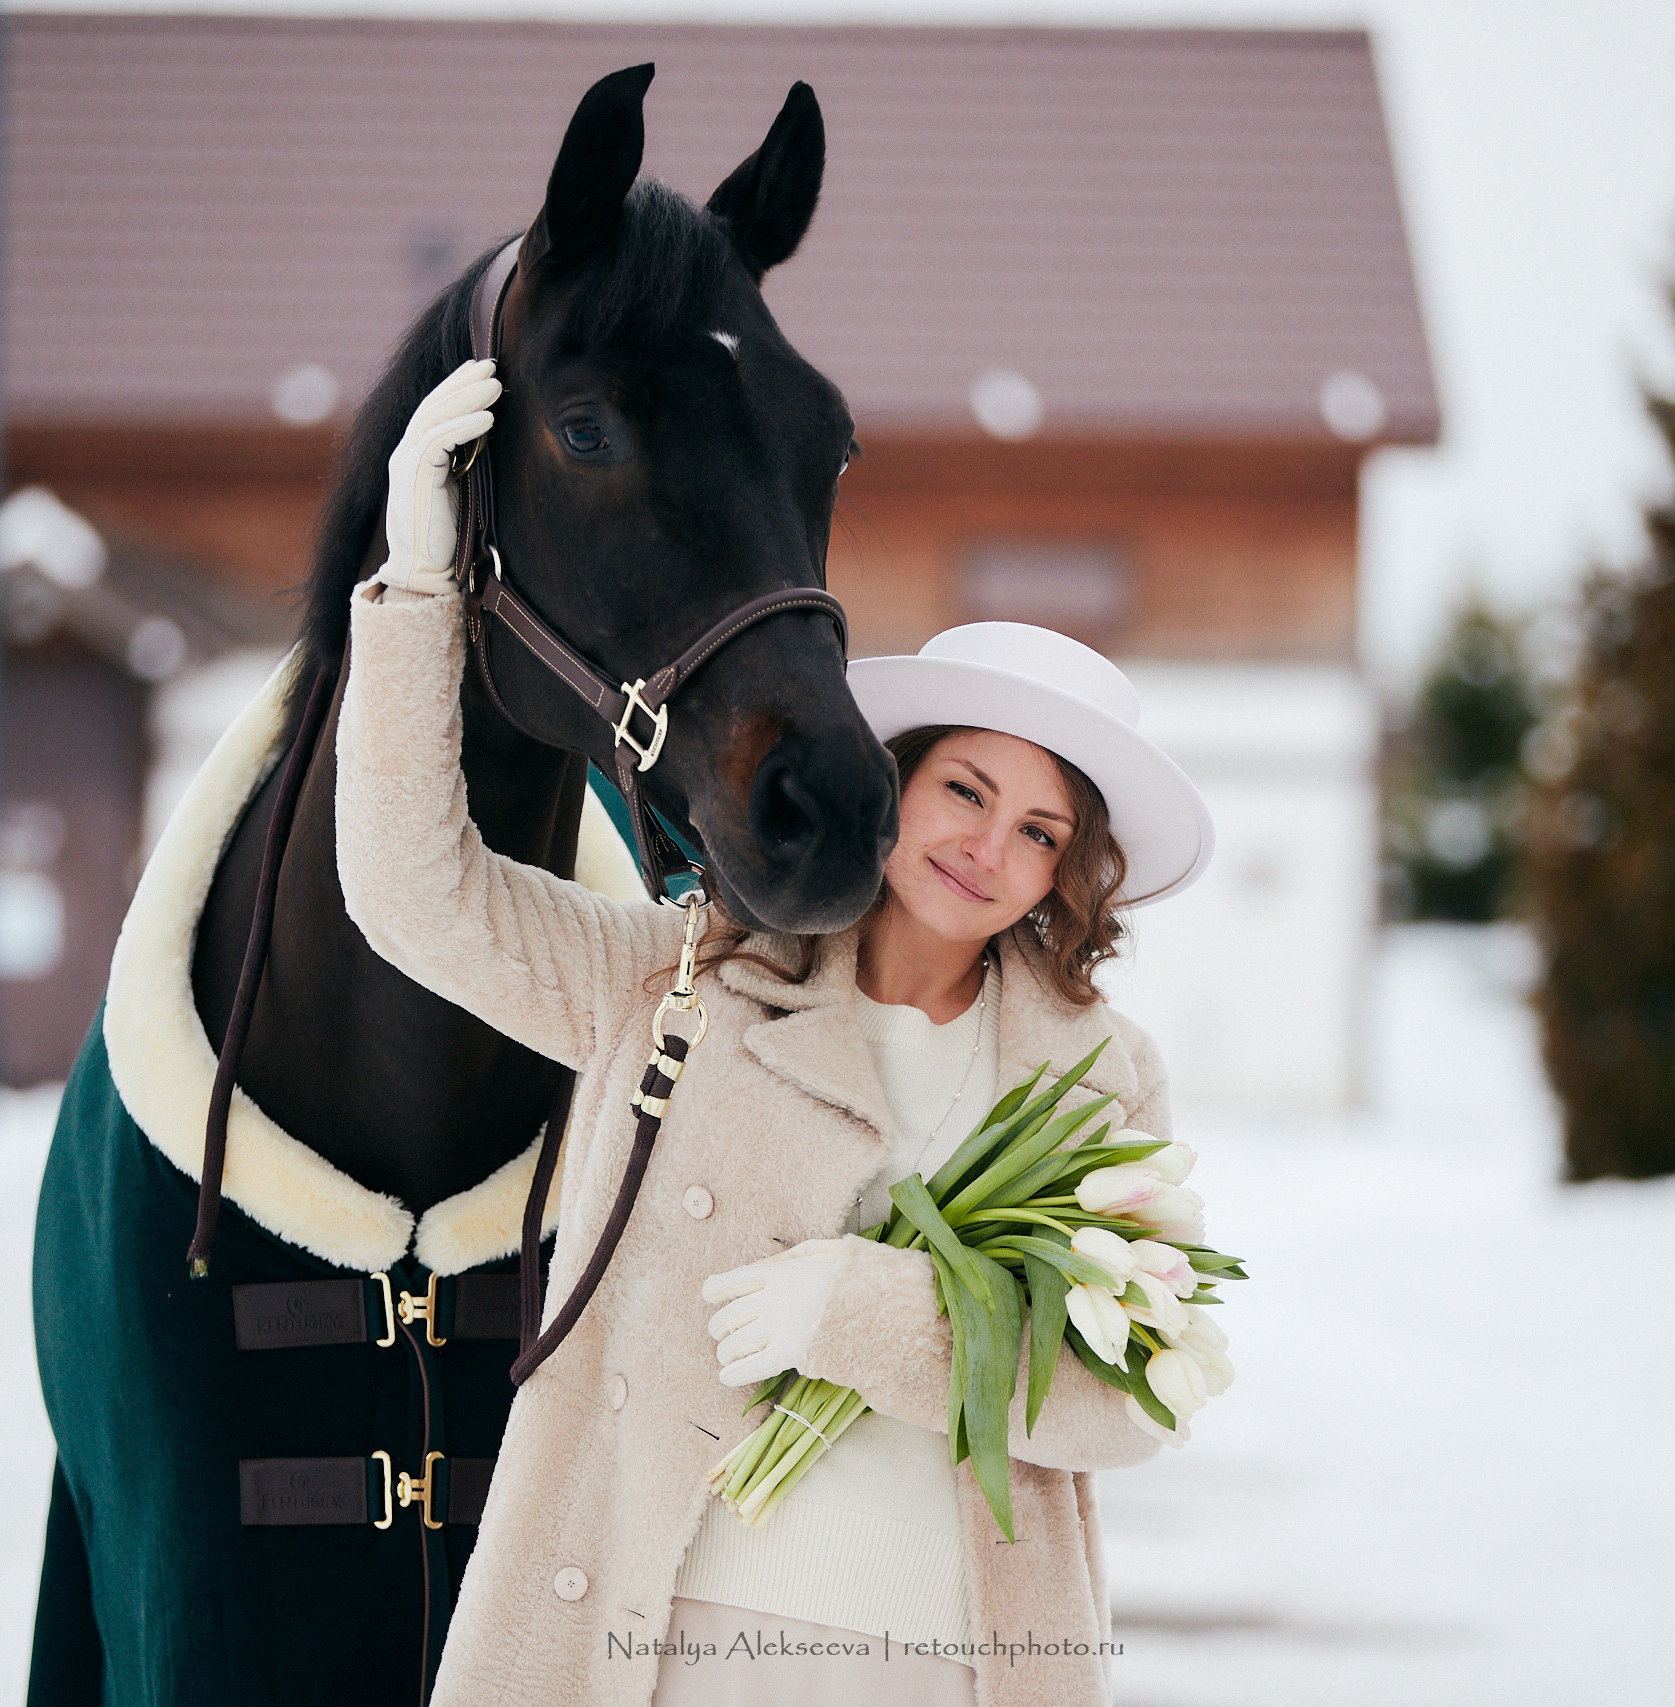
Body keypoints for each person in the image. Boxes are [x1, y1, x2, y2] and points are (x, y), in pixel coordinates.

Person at [334, 361, 1216, 1707]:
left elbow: (1125, 1399)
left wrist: (869, 1317)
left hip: (960, 1670)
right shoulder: (689, 977)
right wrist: (416, 588)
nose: (989, 847)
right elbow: (417, 892)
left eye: (1041, 831)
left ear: (1065, 873)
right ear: (891, 782)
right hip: (668, 1647)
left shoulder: (1099, 1076)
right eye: (966, 790)